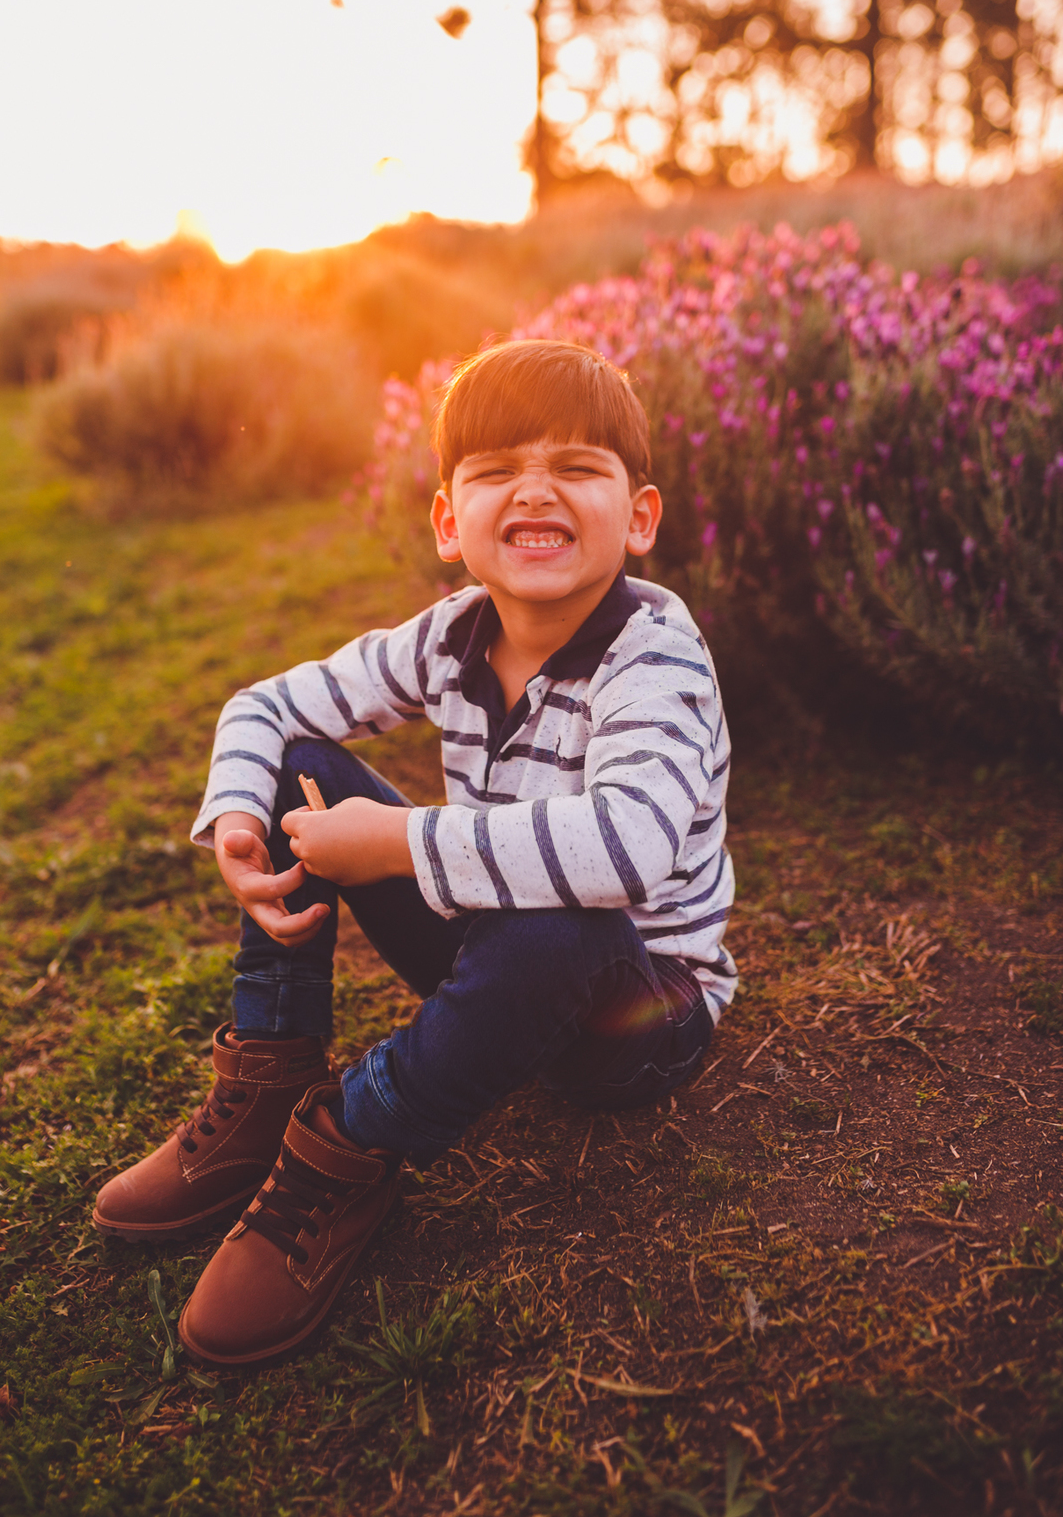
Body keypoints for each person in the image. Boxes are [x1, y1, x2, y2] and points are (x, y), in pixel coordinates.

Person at [92, 338, 737, 1368]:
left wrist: (396, 841)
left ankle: (346, 1147)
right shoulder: (451, 636)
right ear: (448, 522)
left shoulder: (654, 655)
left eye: (576, 467)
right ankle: (270, 1081)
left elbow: (626, 850)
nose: (536, 491)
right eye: (497, 470)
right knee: (296, 762)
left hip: (636, 1005)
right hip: (496, 947)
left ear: (640, 517)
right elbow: (265, 706)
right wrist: (240, 818)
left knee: (561, 925)